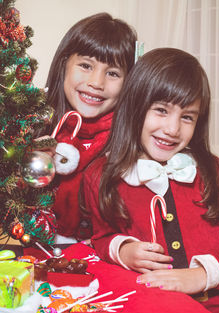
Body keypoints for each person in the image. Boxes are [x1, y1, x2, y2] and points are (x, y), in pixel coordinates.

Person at [82, 48, 219, 312]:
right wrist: (123, 250)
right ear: (135, 107)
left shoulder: (214, 172)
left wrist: (203, 274)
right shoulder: (100, 176)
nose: (172, 129)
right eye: (161, 110)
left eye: (187, 117)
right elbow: (102, 236)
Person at [41, 12, 137, 242]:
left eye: (113, 73)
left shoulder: (131, 143)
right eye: (85, 65)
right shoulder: (36, 127)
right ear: (64, 65)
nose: (96, 83)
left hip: (105, 258)